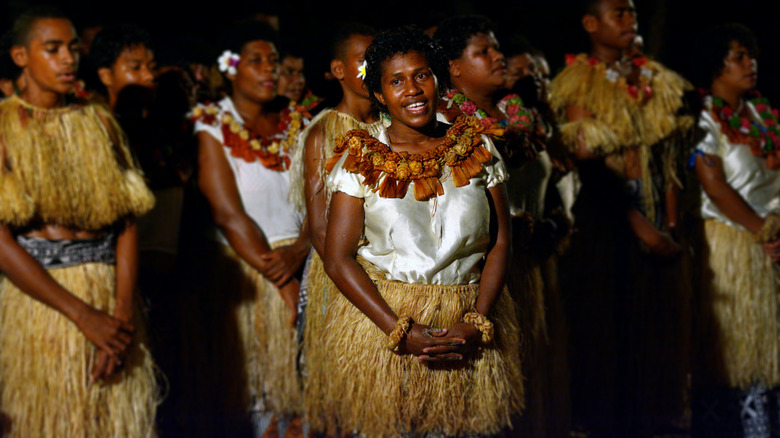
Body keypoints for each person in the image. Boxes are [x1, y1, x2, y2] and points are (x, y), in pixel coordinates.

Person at [318, 25, 523, 437]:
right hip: (387, 326)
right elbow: (338, 258)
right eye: (396, 81)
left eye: (422, 75)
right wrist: (400, 330)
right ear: (378, 94)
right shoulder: (360, 157)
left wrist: (477, 320)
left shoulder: (477, 147)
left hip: (465, 315)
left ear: (438, 81)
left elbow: (501, 241)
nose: (412, 89)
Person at [0, 7, 159, 437]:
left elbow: (126, 222)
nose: (68, 59)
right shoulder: (4, 128)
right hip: (43, 306)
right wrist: (82, 315)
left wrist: (122, 316)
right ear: (20, 56)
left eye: (72, 48)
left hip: (112, 296)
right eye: (52, 49)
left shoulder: (99, 121)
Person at [549, 0, 695, 435]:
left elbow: (668, 160)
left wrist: (668, 225)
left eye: (633, 13)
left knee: (657, 337)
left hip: (657, 218)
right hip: (606, 221)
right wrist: (642, 230)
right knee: (609, 339)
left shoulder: (656, 79)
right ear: (591, 23)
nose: (630, 21)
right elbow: (591, 165)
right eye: (620, 13)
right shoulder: (579, 81)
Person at [434, 16, 569, 437]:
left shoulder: (519, 112)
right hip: (485, 273)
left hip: (536, 266)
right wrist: (505, 226)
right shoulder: (442, 123)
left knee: (537, 376)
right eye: (484, 52)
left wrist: (555, 222)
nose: (498, 58)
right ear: (454, 68)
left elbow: (556, 182)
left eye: (497, 49)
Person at [189, 19, 310, 437]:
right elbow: (228, 214)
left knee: (309, 405)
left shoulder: (296, 122)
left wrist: (300, 253)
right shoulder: (210, 124)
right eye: (255, 61)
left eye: (273, 61)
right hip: (249, 273)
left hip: (307, 260)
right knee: (264, 400)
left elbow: (321, 198)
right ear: (229, 67)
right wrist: (284, 280)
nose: (269, 70)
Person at [286, 21, 389, 433]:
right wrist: (370, 279)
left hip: (390, 277)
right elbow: (321, 226)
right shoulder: (327, 131)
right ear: (338, 69)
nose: (373, 69)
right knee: (342, 395)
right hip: (343, 278)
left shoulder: (391, 128)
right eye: (364, 61)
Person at [688, 23, 780, 437]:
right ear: (715, 65)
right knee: (738, 348)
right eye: (739, 56)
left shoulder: (762, 113)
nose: (751, 63)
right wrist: (765, 233)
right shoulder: (703, 118)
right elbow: (715, 186)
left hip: (773, 240)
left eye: (752, 54)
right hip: (733, 245)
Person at [82, 23, 156, 110]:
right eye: (135, 67)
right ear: (106, 76)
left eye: (152, 67)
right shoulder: (91, 121)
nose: (150, 76)